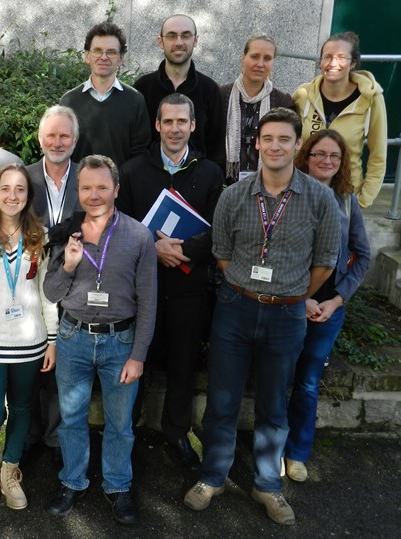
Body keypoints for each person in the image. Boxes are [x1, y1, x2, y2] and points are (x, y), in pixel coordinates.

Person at [183, 108, 340, 526]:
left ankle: (268, 484)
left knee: (274, 404)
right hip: (236, 307)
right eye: (267, 138)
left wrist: (291, 295)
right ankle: (213, 476)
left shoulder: (320, 199)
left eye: (284, 139)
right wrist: (251, 289)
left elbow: (325, 262)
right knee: (222, 398)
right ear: (257, 144)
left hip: (288, 315)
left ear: (296, 146)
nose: (275, 146)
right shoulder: (235, 194)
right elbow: (221, 253)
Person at [44, 155, 157, 525]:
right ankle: (72, 480)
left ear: (116, 190)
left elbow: (148, 302)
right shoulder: (64, 234)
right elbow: (50, 292)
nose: (94, 195)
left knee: (120, 422)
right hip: (73, 336)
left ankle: (117, 485)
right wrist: (70, 265)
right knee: (72, 417)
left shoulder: (139, 236)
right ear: (78, 191)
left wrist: (138, 355)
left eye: (102, 187)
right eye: (87, 187)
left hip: (119, 341)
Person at [118, 93, 223, 471]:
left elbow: (218, 230)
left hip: (189, 289)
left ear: (193, 126)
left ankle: (177, 432)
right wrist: (154, 249)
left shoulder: (210, 173)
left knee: (182, 364)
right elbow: (121, 226)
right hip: (141, 290)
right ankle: (124, 431)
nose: (175, 129)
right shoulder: (132, 172)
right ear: (157, 125)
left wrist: (182, 253)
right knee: (134, 362)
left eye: (183, 122)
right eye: (169, 122)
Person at [0, 164, 59, 524]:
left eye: (20, 189)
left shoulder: (40, 236)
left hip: (30, 344)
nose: (13, 195)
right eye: (6, 188)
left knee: (21, 410)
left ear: (28, 196)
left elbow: (48, 295)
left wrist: (51, 339)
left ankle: (9, 471)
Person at [284, 130, 370, 481]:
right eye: (320, 154)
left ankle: (297, 452)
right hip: (290, 303)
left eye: (334, 156)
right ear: (306, 156)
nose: (327, 162)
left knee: (307, 381)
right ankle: (271, 449)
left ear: (342, 162)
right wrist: (299, 298)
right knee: (277, 378)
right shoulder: (290, 195)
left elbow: (363, 256)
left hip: (328, 309)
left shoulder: (347, 200)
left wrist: (336, 300)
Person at [22, 105, 81, 467]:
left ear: (75, 140)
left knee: (65, 365)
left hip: (77, 283)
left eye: (64, 135)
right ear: (41, 138)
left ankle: (57, 437)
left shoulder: (88, 176)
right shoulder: (23, 178)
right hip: (30, 286)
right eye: (51, 135)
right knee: (32, 361)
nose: (57, 142)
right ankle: (27, 434)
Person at [293, 32, 387, 207]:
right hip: (303, 193)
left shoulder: (371, 99)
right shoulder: (303, 94)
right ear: (320, 61)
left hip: (346, 196)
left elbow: (378, 156)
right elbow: (289, 142)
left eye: (341, 57)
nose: (332, 63)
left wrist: (363, 201)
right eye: (327, 57)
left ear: (353, 63)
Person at [134, 14, 226, 170]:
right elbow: (136, 144)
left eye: (186, 35)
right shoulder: (143, 88)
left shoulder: (210, 90)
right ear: (160, 41)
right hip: (150, 180)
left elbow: (216, 149)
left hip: (197, 183)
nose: (179, 42)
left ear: (195, 40)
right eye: (171, 36)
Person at [59, 22, 150, 169]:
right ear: (87, 56)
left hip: (120, 189)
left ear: (121, 58)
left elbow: (140, 154)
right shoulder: (69, 101)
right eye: (97, 50)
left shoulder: (135, 101)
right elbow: (62, 150)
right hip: (79, 189)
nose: (104, 57)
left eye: (111, 52)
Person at [220, 35, 293, 184]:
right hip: (224, 183)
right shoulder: (220, 95)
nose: (260, 64)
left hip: (268, 185)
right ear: (243, 57)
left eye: (267, 58)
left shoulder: (283, 101)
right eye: (254, 56)